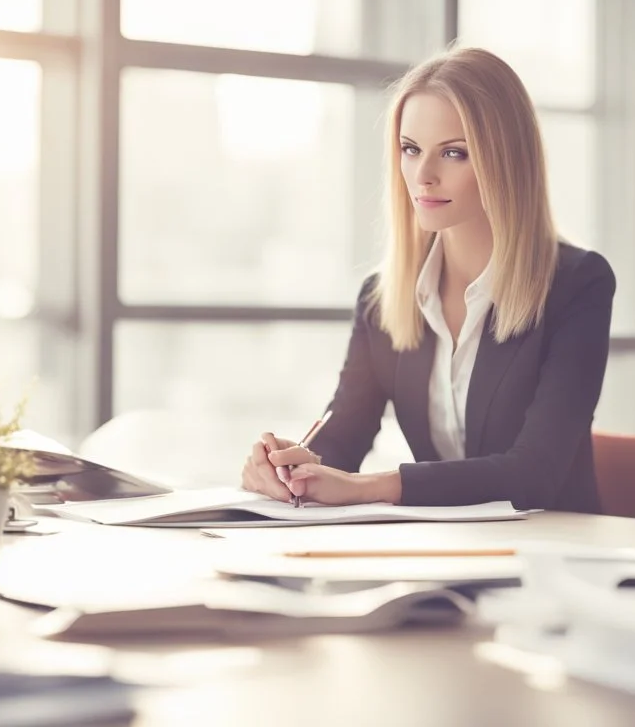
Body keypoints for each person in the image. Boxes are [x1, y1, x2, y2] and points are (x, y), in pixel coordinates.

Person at [240, 46, 615, 511]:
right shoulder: (382, 299)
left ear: (506, 160)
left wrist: (372, 487)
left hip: (555, 555)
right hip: (442, 553)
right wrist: (291, 469)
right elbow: (343, 437)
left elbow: (534, 473)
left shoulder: (578, 285)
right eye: (411, 149)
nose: (423, 175)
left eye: (454, 153)